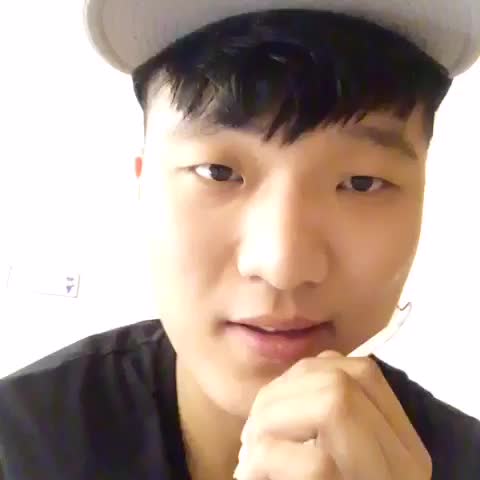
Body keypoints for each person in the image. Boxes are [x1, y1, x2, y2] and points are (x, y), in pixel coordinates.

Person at [1, 1, 480, 479]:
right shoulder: (21, 445)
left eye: (360, 183)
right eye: (218, 172)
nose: (282, 266)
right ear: (144, 186)